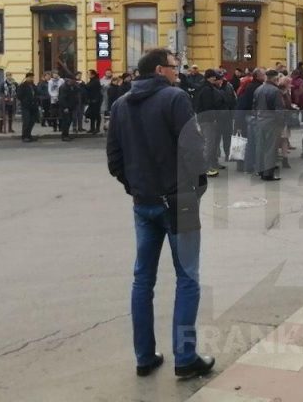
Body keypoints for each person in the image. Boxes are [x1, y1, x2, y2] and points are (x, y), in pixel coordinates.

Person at [106, 48, 214, 380]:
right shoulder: (174, 98)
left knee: (143, 280)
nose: (177, 71)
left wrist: (135, 187)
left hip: (144, 202)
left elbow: (114, 160)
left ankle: (145, 356)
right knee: (188, 278)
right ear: (158, 69)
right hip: (178, 199)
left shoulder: (121, 104)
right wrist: (196, 186)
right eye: (173, 67)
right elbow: (193, 148)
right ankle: (185, 357)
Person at [251, 69, 284, 181]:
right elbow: (279, 109)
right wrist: (281, 122)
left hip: (260, 121)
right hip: (272, 122)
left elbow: (254, 107)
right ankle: (268, 173)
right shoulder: (276, 91)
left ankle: (260, 170)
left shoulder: (258, 89)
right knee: (270, 148)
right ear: (275, 78)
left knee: (260, 146)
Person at [193, 69, 226, 177]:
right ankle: (205, 168)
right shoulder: (207, 89)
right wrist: (214, 117)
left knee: (208, 143)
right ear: (209, 77)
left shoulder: (203, 87)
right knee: (209, 144)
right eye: (213, 77)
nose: (215, 79)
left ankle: (208, 165)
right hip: (208, 120)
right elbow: (208, 106)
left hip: (203, 119)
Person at [217, 74, 237, 164]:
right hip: (226, 115)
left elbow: (233, 100)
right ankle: (225, 154)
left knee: (222, 136)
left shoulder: (224, 87)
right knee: (225, 136)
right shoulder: (229, 86)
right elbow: (234, 100)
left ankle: (222, 153)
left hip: (222, 116)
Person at [17, 72, 39, 142]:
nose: (31, 78)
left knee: (32, 122)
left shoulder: (33, 85)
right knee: (26, 121)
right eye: (30, 77)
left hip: (33, 106)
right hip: (26, 106)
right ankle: (24, 136)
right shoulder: (22, 86)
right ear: (26, 78)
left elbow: (37, 93)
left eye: (32, 77)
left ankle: (29, 135)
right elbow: (19, 95)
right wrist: (24, 101)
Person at [57, 75, 77, 142]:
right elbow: (62, 98)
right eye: (73, 81)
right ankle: (64, 136)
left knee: (69, 121)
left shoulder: (72, 86)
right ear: (69, 80)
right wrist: (65, 107)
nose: (74, 82)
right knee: (66, 121)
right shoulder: (63, 87)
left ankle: (67, 134)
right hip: (65, 108)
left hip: (71, 107)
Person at [85, 70, 103, 134]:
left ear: (93, 75)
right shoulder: (92, 80)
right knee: (92, 114)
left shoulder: (96, 81)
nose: (88, 75)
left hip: (96, 100)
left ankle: (97, 128)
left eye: (89, 73)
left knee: (97, 114)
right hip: (91, 100)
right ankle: (92, 128)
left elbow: (90, 88)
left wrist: (96, 100)